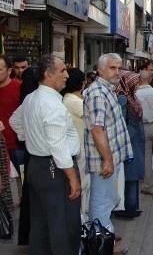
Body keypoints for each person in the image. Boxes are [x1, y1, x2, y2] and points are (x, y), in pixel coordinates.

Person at [9, 54, 81, 254]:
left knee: (40, 225)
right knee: (63, 226)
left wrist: (31, 137)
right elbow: (58, 146)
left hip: (38, 167)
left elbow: (14, 121)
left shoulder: (32, 98)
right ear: (48, 75)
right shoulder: (51, 104)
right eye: (62, 71)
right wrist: (73, 178)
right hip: (55, 169)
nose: (67, 75)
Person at [84, 53, 133, 255]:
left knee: (108, 199)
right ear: (100, 69)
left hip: (111, 159)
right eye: (112, 68)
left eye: (119, 68)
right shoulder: (97, 93)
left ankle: (105, 237)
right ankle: (103, 244)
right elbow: (98, 130)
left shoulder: (108, 90)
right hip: (104, 161)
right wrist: (108, 160)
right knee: (102, 202)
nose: (117, 72)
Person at [114, 70, 145, 218]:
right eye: (135, 82)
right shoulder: (123, 98)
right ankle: (129, 208)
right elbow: (120, 121)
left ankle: (133, 207)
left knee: (133, 175)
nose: (137, 85)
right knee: (130, 175)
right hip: (129, 141)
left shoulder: (130, 96)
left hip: (135, 140)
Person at [61, 68, 91, 218]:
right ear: (81, 83)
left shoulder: (74, 99)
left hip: (80, 147)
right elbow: (94, 115)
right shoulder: (71, 101)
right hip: (79, 149)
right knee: (82, 184)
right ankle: (82, 219)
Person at [15, 66, 40, 245]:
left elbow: (14, 121)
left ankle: (28, 237)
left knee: (29, 196)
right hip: (38, 156)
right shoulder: (37, 100)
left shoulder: (28, 100)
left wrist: (25, 137)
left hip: (30, 153)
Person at [0, 55, 22, 176]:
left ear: (9, 71)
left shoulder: (19, 88)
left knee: (21, 187)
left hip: (16, 147)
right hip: (1, 147)